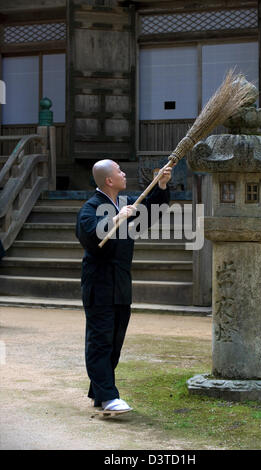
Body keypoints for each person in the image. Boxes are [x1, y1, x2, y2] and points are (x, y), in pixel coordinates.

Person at [76, 159, 172, 414]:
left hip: (121, 283)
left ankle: (100, 392)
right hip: (100, 284)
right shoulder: (92, 207)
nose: (123, 173)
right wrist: (116, 219)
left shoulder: (124, 204)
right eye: (119, 171)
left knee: (115, 341)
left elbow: (148, 216)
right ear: (109, 180)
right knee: (100, 342)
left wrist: (161, 185)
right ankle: (109, 397)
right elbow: (88, 235)